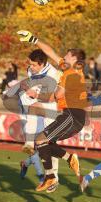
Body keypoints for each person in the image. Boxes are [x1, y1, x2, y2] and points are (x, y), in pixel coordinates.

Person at [17, 30, 88, 192]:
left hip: (72, 115)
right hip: (70, 115)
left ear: (75, 59)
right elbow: (50, 52)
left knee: (41, 140)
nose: (64, 57)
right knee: (45, 143)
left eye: (68, 56)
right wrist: (33, 39)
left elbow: (56, 96)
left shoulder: (71, 74)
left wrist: (36, 94)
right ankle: (68, 160)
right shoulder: (69, 68)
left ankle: (50, 177)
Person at [3, 49, 60, 193]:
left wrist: (37, 94)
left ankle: (28, 164)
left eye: (34, 65)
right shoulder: (31, 70)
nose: (30, 67)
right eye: (30, 64)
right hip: (33, 106)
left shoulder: (53, 74)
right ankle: (51, 177)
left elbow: (54, 96)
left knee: (48, 145)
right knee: (40, 145)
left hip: (49, 107)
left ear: (42, 64)